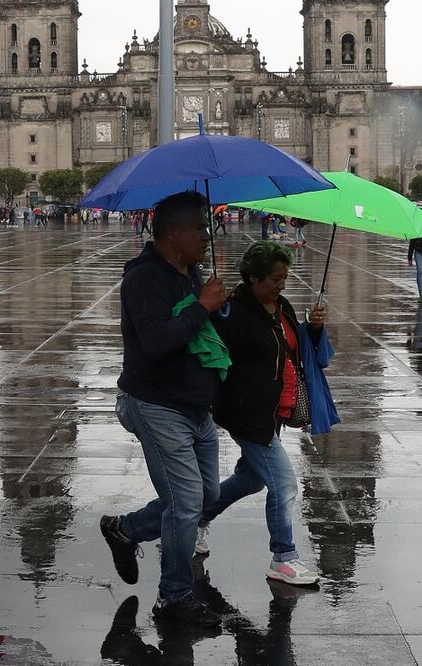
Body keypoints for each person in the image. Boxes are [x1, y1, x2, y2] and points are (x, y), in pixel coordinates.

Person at [100, 191, 229, 627]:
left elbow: (197, 328)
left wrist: (216, 306)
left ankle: (126, 530)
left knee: (205, 497)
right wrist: (202, 306)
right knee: (186, 503)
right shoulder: (144, 278)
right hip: (155, 403)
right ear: (172, 233)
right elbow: (156, 344)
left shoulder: (190, 274)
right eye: (199, 228)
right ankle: (173, 597)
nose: (207, 236)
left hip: (195, 406)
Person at [196, 241, 324, 587]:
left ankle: (193, 519)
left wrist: (312, 328)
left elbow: (292, 348)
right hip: (248, 412)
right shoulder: (234, 311)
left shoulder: (280, 305)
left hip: (274, 409)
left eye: (285, 276)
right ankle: (283, 557)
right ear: (253, 278)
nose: (282, 283)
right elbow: (214, 354)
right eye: (275, 278)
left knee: (251, 479)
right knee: (283, 484)